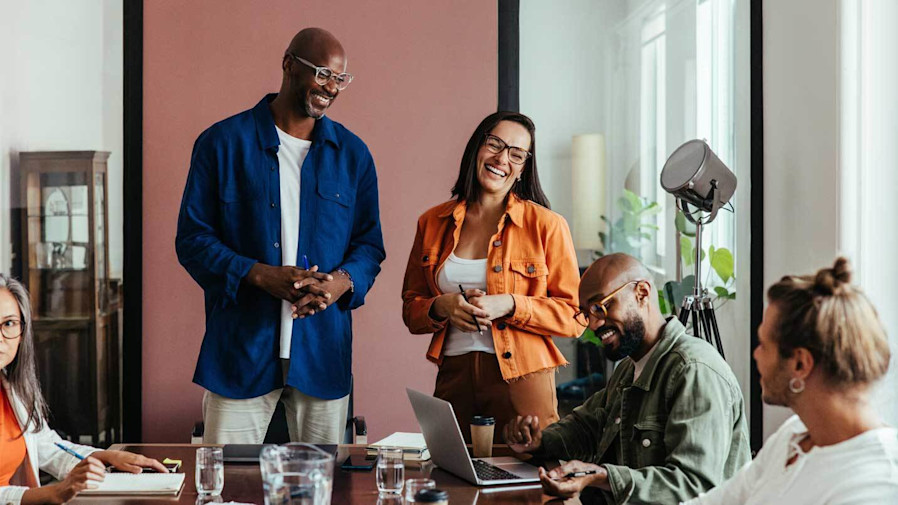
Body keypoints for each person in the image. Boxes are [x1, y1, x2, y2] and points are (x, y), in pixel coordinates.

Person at [176, 27, 385, 444]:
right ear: (289, 64)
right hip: (240, 352)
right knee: (227, 486)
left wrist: (340, 283)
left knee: (321, 488)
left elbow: (369, 245)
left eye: (340, 79)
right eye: (323, 73)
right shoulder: (221, 144)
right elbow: (193, 239)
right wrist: (258, 274)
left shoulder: (354, 155)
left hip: (323, 354)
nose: (332, 88)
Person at [505, 253, 750, 504]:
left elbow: (693, 486)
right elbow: (588, 426)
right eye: (586, 313)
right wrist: (540, 441)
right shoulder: (629, 368)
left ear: (642, 293)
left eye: (601, 306)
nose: (593, 323)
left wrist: (602, 476)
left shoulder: (694, 370)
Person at [401, 111, 583, 442]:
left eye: (516, 154)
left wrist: (510, 304)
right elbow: (411, 309)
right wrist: (443, 306)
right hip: (454, 376)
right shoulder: (431, 222)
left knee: (527, 484)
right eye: (495, 144)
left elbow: (574, 315)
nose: (502, 159)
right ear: (477, 147)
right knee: (453, 479)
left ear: (523, 168)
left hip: (522, 379)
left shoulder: (547, 225)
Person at [683, 258, 898, 504]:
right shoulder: (792, 436)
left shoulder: (874, 485)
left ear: (800, 364)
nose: (756, 354)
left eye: (763, 345)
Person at [0, 275, 167, 504]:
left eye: (8, 323)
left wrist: (105, 456)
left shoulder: (11, 386)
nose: (0, 338)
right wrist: (54, 493)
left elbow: (46, 445)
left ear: (22, 331)